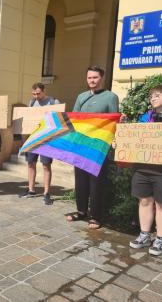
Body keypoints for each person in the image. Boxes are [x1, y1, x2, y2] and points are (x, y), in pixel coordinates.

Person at [66, 66, 119, 229]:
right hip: (82, 145)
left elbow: (114, 121)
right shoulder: (81, 97)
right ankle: (81, 211)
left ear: (101, 78)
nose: (92, 81)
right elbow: (74, 119)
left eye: (95, 77)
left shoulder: (110, 97)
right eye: (89, 78)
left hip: (99, 147)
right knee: (80, 181)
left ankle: (96, 216)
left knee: (96, 183)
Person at [128, 85, 162, 256]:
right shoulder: (146, 117)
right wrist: (121, 141)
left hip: (161, 171)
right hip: (143, 167)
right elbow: (135, 137)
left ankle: (160, 240)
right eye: (152, 96)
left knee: (161, 204)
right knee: (144, 201)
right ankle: (144, 235)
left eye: (157, 95)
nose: (153, 98)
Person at [19, 83, 60, 205]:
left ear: (44, 91)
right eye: (34, 94)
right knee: (31, 163)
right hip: (33, 137)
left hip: (47, 139)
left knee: (46, 165)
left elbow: (59, 120)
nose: (36, 96)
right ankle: (31, 189)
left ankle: (46, 193)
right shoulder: (32, 102)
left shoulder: (54, 102)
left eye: (38, 93)